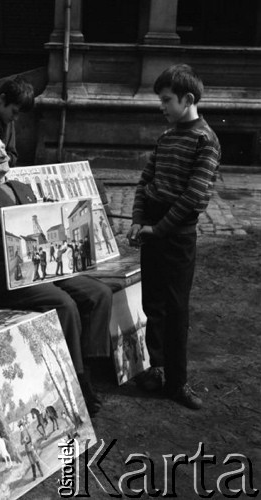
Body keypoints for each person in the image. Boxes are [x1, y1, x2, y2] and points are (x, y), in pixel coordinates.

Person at [0, 131, 113, 415]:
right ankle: (78, 381)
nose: (3, 154)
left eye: (3, 148)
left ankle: (88, 367)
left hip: (38, 270)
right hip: (1, 279)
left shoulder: (22, 187)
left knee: (99, 293)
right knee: (64, 303)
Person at [127, 64, 221, 410]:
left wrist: (160, 228)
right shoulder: (166, 138)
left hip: (177, 234)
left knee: (175, 306)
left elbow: (194, 196)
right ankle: (157, 369)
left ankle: (178, 383)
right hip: (152, 228)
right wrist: (139, 221)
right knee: (152, 303)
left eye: (167, 100)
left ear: (188, 99)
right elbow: (144, 181)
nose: (161, 107)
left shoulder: (205, 140)